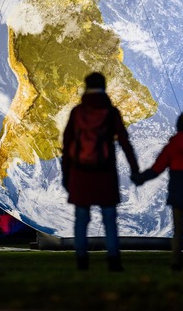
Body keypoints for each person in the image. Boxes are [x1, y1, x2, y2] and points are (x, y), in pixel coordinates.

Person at [62, 72, 140, 272]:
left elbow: (68, 143)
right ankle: (113, 260)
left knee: (81, 218)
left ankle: (81, 261)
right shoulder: (111, 112)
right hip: (105, 173)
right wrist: (134, 169)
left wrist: (66, 175)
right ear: (104, 87)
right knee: (109, 218)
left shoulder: (77, 113)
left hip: (80, 173)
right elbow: (124, 141)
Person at [132, 110, 183, 271]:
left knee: (178, 231)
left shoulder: (171, 148)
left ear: (178, 126)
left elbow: (157, 169)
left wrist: (140, 178)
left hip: (178, 194)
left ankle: (176, 263)